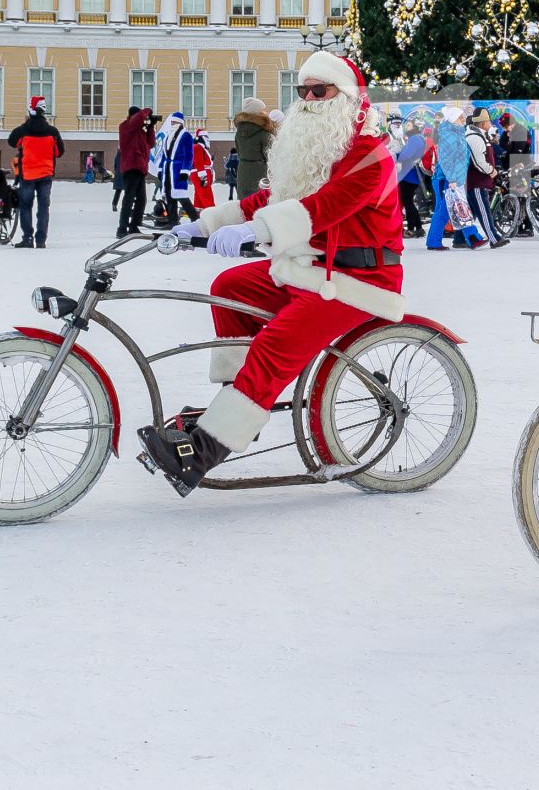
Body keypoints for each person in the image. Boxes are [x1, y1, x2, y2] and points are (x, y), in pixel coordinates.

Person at [141, 52, 406, 495]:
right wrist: (204, 224)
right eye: (301, 91)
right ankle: (238, 407)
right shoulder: (314, 150)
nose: (307, 99)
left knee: (275, 344)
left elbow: (323, 209)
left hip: (360, 281)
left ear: (345, 97)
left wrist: (254, 230)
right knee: (229, 288)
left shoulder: (369, 156)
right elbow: (269, 198)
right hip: (311, 270)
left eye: (318, 90)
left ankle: (205, 451)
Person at [6, 96, 65, 248]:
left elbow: (12, 141)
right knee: (43, 207)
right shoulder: (53, 131)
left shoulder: (24, 130)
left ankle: (27, 238)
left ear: (31, 111)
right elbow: (59, 152)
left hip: (28, 174)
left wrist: (25, 126)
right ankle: (41, 240)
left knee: (26, 206)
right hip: (46, 174)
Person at [426, 106, 487, 250]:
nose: (463, 119)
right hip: (446, 179)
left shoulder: (456, 133)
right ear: (453, 119)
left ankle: (473, 238)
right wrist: (452, 180)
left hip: (454, 179)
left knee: (458, 208)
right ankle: (435, 242)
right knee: (446, 210)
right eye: (460, 117)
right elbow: (447, 160)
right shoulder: (449, 134)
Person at [147, 112, 198, 229]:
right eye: (172, 122)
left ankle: (195, 219)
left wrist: (185, 171)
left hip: (178, 170)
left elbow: (188, 155)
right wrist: (160, 169)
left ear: (180, 123)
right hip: (167, 169)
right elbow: (164, 155)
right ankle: (172, 221)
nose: (172, 124)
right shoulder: (168, 137)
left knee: (181, 196)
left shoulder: (186, 136)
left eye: (174, 122)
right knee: (169, 196)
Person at [116, 106, 154, 237]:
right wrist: (147, 111)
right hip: (131, 167)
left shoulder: (139, 131)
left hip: (140, 168)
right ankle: (122, 227)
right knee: (129, 198)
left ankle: (134, 225)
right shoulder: (126, 126)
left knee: (142, 200)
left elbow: (151, 143)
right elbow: (135, 121)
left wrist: (150, 127)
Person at [466, 106, 499, 243]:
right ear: (483, 122)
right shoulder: (475, 137)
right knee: (484, 212)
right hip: (477, 181)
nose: (491, 124)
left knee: (472, 213)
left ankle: (460, 239)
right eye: (489, 121)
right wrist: (491, 170)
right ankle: (494, 239)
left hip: (478, 181)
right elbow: (478, 160)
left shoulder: (480, 135)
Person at [394, 116, 429, 237]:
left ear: (415, 126)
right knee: (410, 202)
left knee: (408, 202)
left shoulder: (414, 139)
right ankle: (418, 228)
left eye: (409, 125)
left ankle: (411, 228)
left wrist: (394, 154)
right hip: (413, 174)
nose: (406, 127)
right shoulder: (419, 138)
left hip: (409, 174)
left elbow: (405, 155)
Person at [233, 96, 271, 197]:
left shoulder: (239, 132)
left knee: (245, 203)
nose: (265, 113)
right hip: (260, 172)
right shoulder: (263, 133)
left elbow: (239, 151)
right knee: (260, 202)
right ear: (257, 113)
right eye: (262, 111)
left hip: (243, 171)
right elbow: (271, 155)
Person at [190, 130, 218, 214]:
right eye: (205, 137)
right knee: (206, 196)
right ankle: (211, 214)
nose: (207, 139)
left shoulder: (200, 147)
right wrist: (203, 177)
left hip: (200, 174)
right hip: (201, 175)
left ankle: (199, 213)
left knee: (199, 196)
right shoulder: (197, 147)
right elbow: (199, 163)